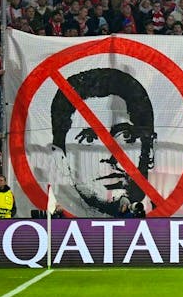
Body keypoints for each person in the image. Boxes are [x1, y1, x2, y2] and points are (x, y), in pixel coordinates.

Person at [50, 69, 157, 218]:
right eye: (89, 139)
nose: (112, 157)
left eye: (126, 136)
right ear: (61, 158)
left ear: (150, 150)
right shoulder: (59, 222)